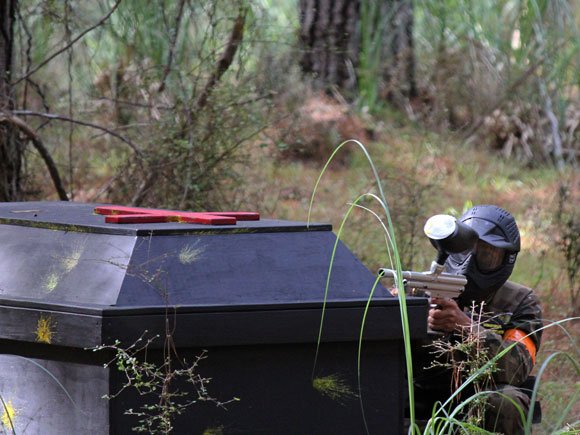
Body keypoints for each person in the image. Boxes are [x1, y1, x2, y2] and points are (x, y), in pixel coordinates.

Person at [411, 205, 543, 434]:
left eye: (486, 256)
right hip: (419, 397)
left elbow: (518, 368)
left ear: (505, 259)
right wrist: (400, 313)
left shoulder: (520, 302)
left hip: (480, 400)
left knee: (507, 401)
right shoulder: (421, 290)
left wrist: (466, 327)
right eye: (464, 252)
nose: (469, 264)